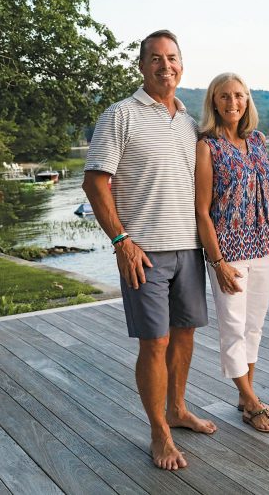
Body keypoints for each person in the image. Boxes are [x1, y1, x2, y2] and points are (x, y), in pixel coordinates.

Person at [83, 29, 217, 470]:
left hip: (189, 249)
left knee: (184, 334)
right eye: (156, 58)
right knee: (154, 342)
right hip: (145, 252)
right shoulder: (120, 115)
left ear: (182, 64)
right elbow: (95, 181)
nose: (166, 66)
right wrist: (121, 241)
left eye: (173, 57)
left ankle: (177, 410)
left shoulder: (189, 123)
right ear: (142, 66)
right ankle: (159, 431)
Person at [195, 73, 269, 433]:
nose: (233, 102)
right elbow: (202, 209)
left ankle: (245, 396)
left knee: (254, 327)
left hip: (265, 246)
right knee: (232, 327)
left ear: (247, 101)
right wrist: (216, 262)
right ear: (214, 102)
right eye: (225, 96)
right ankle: (250, 399)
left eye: (239, 96)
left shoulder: (258, 141)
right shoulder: (207, 145)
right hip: (229, 252)